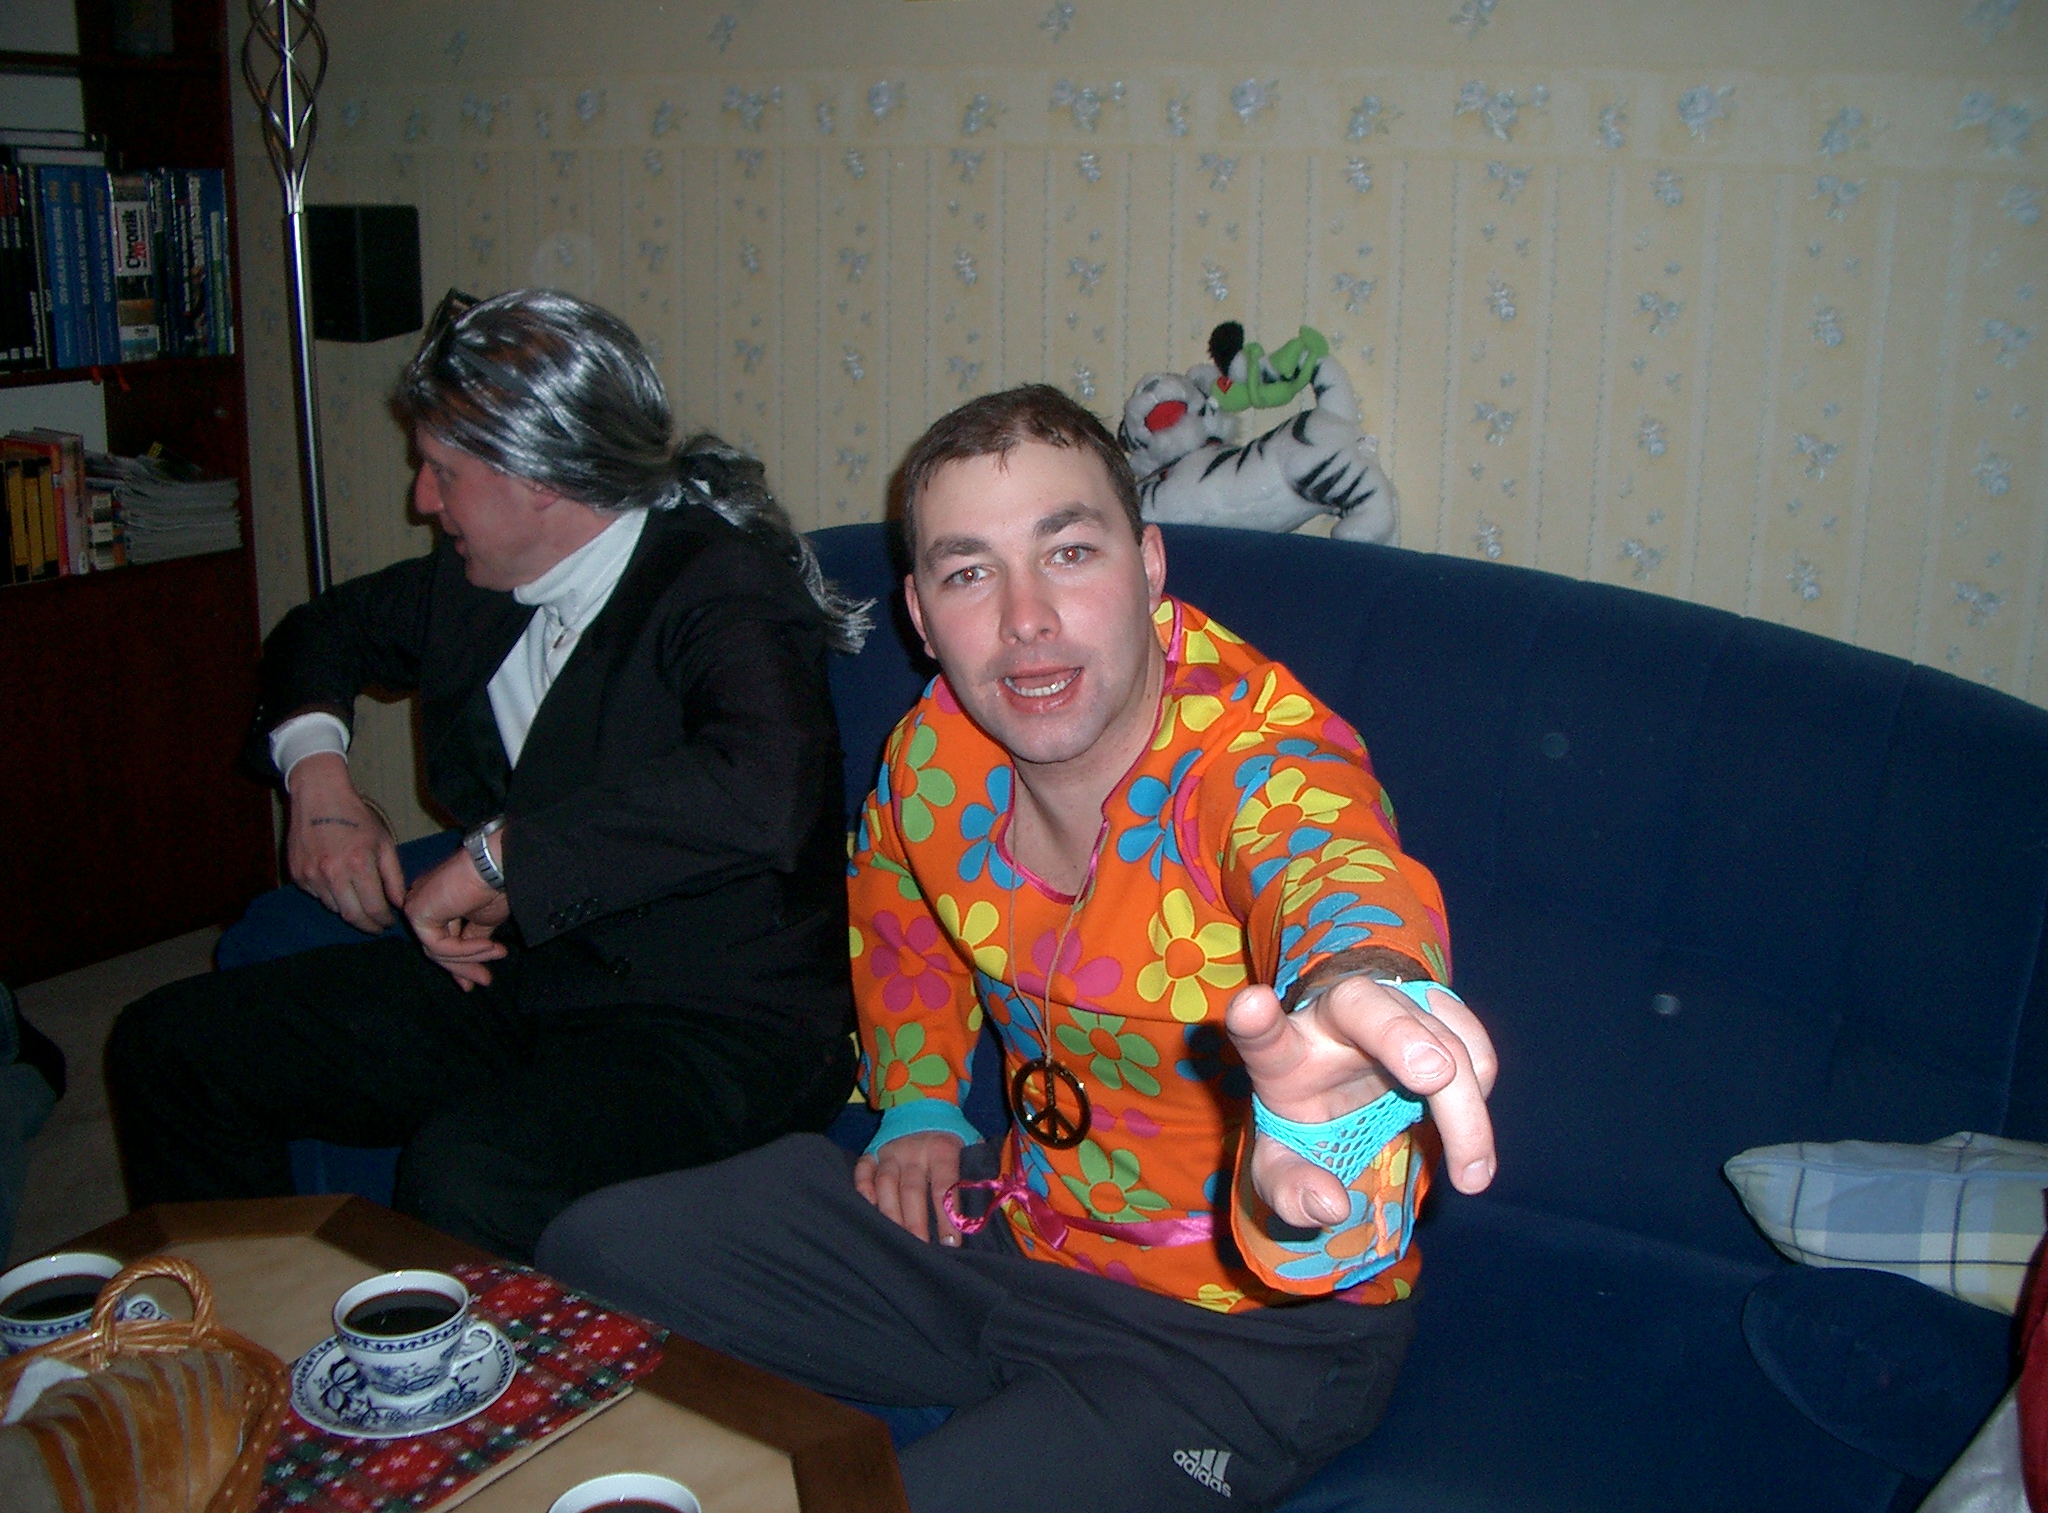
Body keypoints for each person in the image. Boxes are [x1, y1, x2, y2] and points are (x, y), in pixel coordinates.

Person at [537, 384, 1498, 1512]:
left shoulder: (1255, 757)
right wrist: (917, 1103)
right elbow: (899, 911)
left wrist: (1356, 995)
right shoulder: (933, 753)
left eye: (1069, 552)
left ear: (1148, 566)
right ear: (918, 611)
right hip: (1008, 1233)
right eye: (968, 573)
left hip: (1234, 1334)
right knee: (595, 1247)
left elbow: (1326, 859)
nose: (1025, 619)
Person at [106, 289, 868, 1261]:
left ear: (539, 478)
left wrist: (500, 862)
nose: (422, 500)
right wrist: (319, 780)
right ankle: (228, 1331)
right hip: (525, 974)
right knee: (172, 1046)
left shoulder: (722, 583)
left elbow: (763, 788)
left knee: (464, 1172)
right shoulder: (478, 581)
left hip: (717, 1023)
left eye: (442, 471)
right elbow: (321, 633)